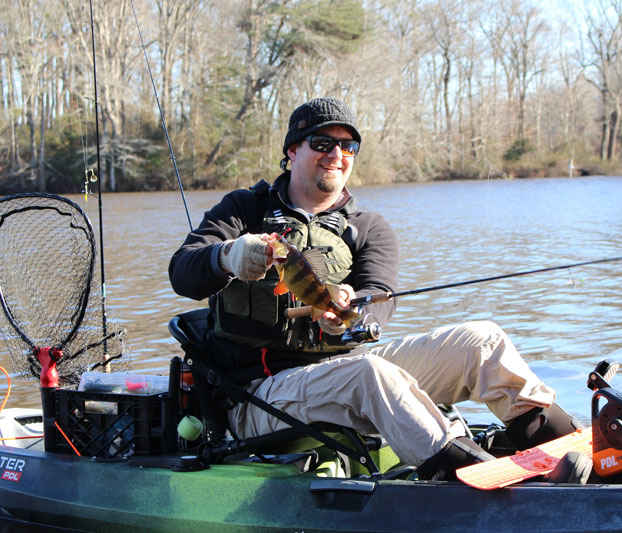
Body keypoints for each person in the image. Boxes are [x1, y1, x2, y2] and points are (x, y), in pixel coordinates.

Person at [169, 97, 581, 480]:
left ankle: (569, 455)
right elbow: (182, 272)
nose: (337, 155)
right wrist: (227, 256)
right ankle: (470, 478)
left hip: (343, 371)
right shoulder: (244, 210)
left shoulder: (368, 227)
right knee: (370, 373)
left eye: (349, 148)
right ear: (292, 150)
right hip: (258, 398)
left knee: (482, 340)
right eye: (323, 143)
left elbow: (379, 296)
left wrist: (351, 317)